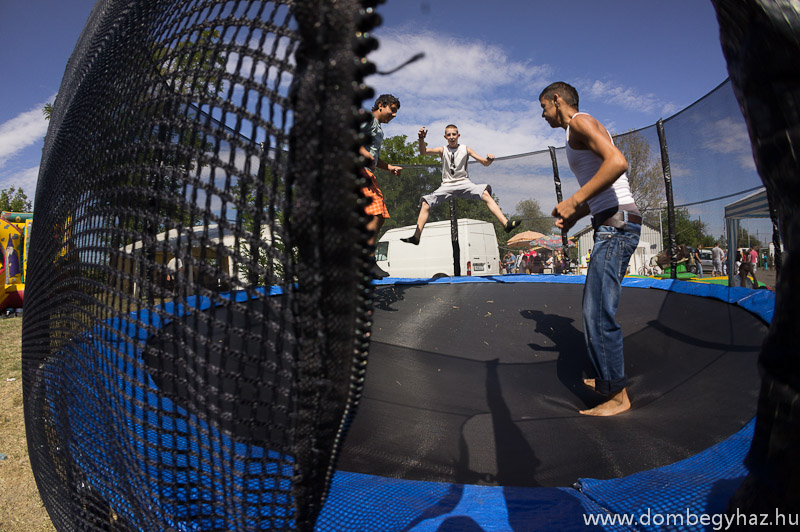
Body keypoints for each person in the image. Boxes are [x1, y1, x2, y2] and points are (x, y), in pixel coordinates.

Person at [539, 81, 641, 416]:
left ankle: (617, 396)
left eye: (543, 107)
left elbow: (617, 163)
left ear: (557, 100)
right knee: (596, 307)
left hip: (616, 225)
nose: (543, 115)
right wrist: (576, 214)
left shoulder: (580, 122)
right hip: (611, 222)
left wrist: (574, 200)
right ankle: (608, 379)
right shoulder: (577, 131)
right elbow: (603, 187)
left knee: (597, 310)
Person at [400, 124, 520, 245]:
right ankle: (416, 237)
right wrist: (421, 139)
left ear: (458, 135)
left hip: (464, 183)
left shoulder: (466, 149)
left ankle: (505, 223)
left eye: (454, 134)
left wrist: (489, 160)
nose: (452, 137)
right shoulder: (442, 150)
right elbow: (423, 152)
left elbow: (484, 163)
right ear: (445, 137)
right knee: (425, 203)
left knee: (485, 194)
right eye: (449, 135)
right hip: (447, 185)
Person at [359, 94, 403, 278]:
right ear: (381, 105)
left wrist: (389, 167)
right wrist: (364, 154)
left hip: (368, 172)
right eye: (392, 110)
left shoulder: (378, 129)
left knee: (381, 215)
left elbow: (374, 156)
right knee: (375, 213)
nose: (394, 115)